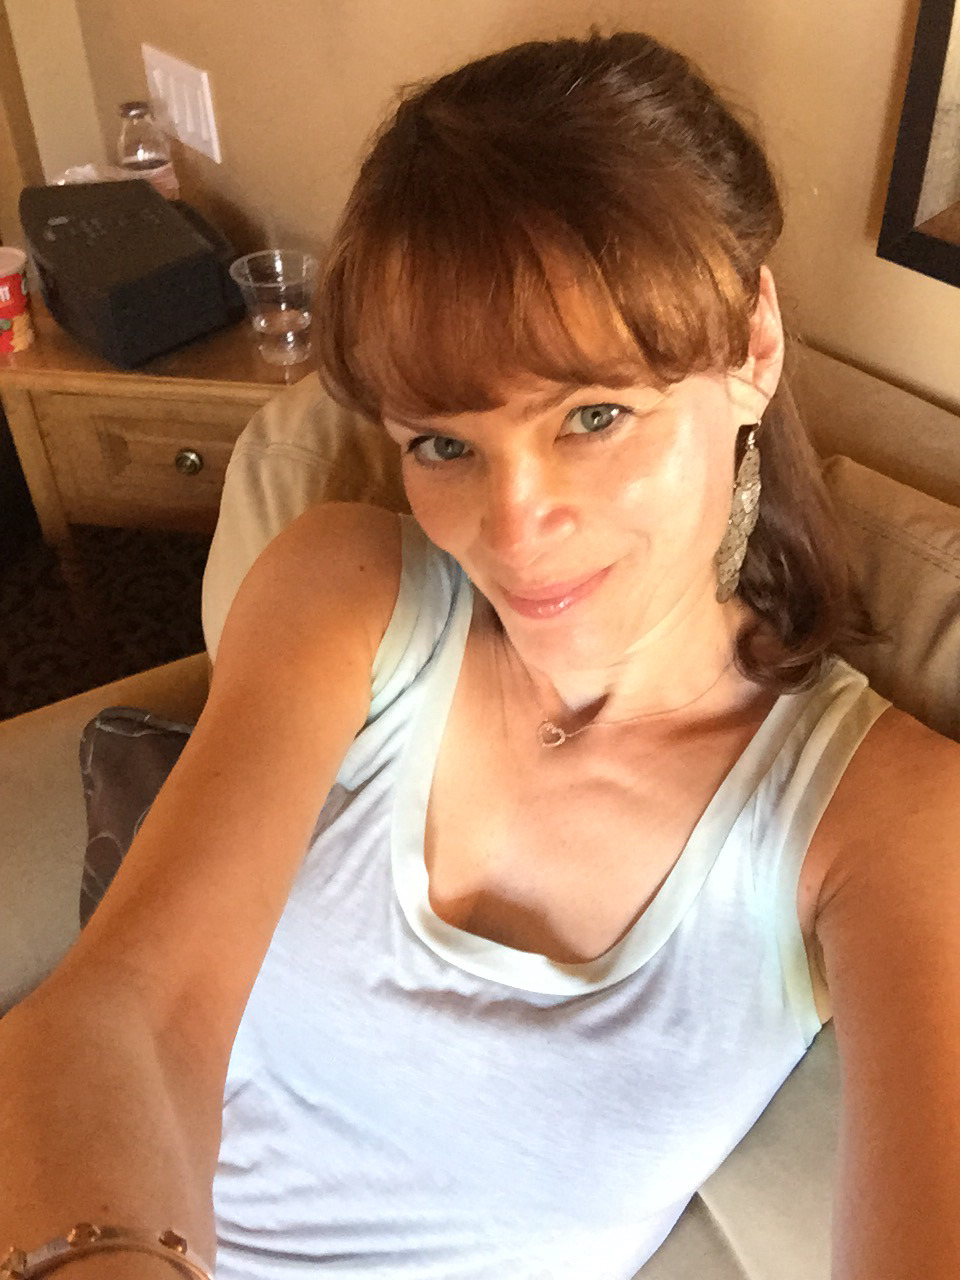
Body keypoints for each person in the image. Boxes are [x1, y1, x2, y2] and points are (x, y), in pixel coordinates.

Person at [2, 28, 959, 1280]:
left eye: (595, 416)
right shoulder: (351, 590)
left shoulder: (888, 818)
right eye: (443, 444)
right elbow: (129, 1008)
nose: (511, 528)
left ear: (752, 347)